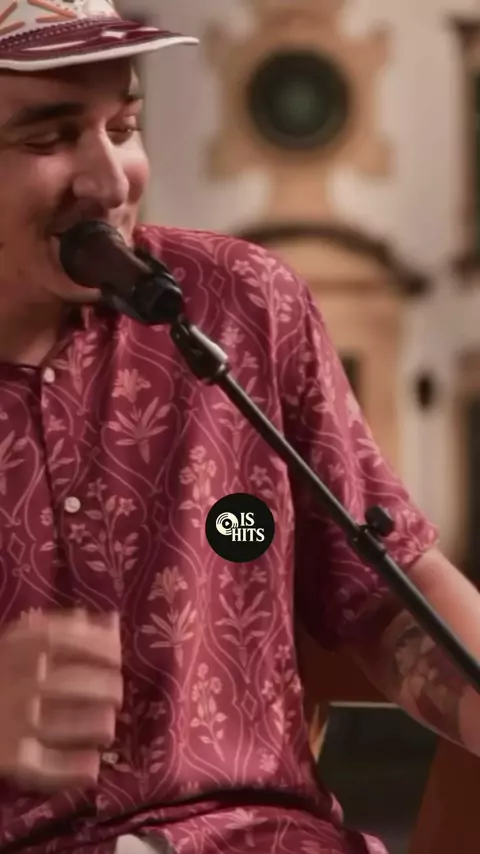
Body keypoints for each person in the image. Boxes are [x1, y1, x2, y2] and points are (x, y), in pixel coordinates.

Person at [0, 1, 479, 853]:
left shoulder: (241, 302)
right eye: (48, 138)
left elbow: (388, 589)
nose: (110, 182)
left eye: (124, 127)